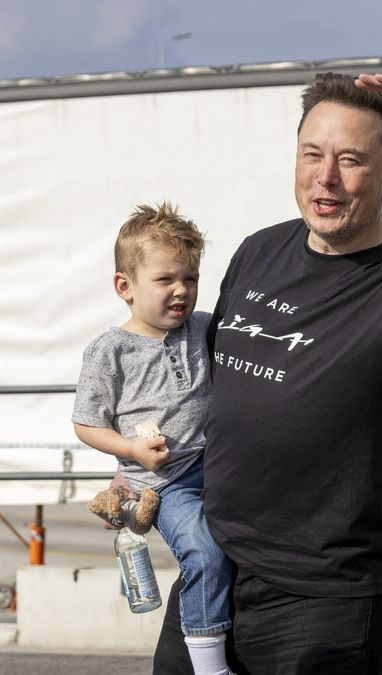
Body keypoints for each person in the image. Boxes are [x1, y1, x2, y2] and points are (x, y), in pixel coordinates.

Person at [153, 72, 382, 673]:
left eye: (350, 160)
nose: (326, 177)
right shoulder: (258, 251)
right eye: (312, 155)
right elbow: (212, 392)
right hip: (213, 572)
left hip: (327, 601)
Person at [73, 203, 235, 675]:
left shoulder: (203, 327)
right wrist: (130, 451)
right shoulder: (110, 351)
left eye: (190, 277)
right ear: (125, 286)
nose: (181, 290)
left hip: (220, 465)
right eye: (165, 279)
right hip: (165, 484)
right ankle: (209, 666)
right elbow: (86, 423)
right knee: (204, 553)